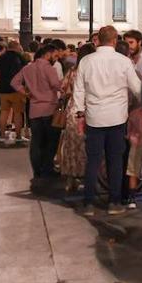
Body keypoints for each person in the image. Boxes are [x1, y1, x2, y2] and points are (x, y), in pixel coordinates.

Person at [73, 26, 142, 216]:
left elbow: (79, 89)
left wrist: (80, 114)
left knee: (93, 161)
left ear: (98, 40)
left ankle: (89, 202)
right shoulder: (123, 61)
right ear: (114, 41)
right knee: (115, 160)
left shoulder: (87, 61)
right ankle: (114, 201)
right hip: (117, 117)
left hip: (94, 117)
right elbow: (136, 88)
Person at [18, 44, 63, 184]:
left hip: (34, 109)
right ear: (48, 54)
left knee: (36, 142)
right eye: (55, 56)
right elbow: (57, 85)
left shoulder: (27, 68)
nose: (56, 59)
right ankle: (47, 169)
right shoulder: (49, 69)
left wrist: (25, 92)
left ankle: (37, 170)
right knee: (51, 141)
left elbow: (14, 82)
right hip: (49, 107)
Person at [56, 44, 93, 191]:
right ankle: (86, 177)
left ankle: (70, 179)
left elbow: (63, 88)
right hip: (89, 108)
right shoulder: (91, 72)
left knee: (71, 146)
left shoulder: (72, 71)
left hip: (73, 110)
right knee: (87, 146)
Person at [0, 40, 26, 140]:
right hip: (16, 89)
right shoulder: (20, 58)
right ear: (17, 47)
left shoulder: (0, 58)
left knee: (4, 112)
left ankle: (2, 134)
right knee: (17, 113)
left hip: (3, 89)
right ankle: (18, 135)